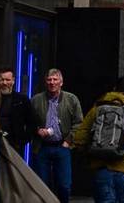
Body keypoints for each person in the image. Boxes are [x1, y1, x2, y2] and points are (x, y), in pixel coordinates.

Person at [31, 68, 83, 203]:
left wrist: (68, 141)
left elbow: (79, 123)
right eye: (49, 79)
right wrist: (37, 130)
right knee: (42, 184)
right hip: (42, 147)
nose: (52, 82)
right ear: (45, 82)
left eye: (55, 79)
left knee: (64, 185)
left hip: (62, 146)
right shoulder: (36, 100)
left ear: (61, 82)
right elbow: (29, 122)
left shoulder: (71, 99)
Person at [0, 67, 35, 152]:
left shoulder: (22, 99)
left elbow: (31, 122)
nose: (4, 83)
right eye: (1, 80)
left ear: (13, 81)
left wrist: (23, 141)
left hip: (14, 145)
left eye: (8, 80)